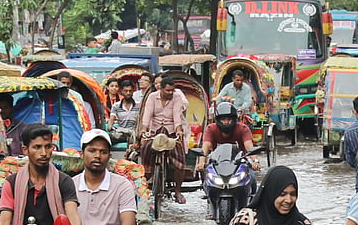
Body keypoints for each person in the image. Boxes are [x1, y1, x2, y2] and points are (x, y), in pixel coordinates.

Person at [0, 123, 88, 225]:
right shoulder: (11, 183)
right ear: (25, 150)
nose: (43, 153)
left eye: (48, 146)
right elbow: (5, 220)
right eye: (37, 147)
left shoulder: (63, 181)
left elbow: (73, 217)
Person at [70, 129, 137, 225]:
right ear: (82, 154)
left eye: (103, 152)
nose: (97, 156)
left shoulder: (122, 185)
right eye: (92, 150)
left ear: (109, 156)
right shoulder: (70, 185)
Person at [139, 75, 189, 204]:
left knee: (179, 155)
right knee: (145, 149)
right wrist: (144, 129)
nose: (170, 93)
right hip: (154, 130)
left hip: (171, 130)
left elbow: (177, 115)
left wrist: (178, 130)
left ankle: (178, 191)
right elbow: (147, 115)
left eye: (172, 90)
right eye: (167, 90)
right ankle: (145, 184)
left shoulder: (177, 97)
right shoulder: (152, 97)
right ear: (160, 89)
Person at [197, 101, 257, 179]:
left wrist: (255, 161)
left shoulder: (243, 129)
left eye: (229, 119)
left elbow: (249, 147)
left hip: (239, 165)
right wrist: (201, 162)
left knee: (251, 179)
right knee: (207, 181)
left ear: (234, 119)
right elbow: (205, 146)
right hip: (217, 165)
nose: (226, 122)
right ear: (218, 120)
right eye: (223, 119)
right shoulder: (211, 129)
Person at [108, 78, 140, 144]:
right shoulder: (116, 106)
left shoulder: (138, 105)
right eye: (126, 91)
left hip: (133, 132)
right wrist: (110, 126)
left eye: (130, 91)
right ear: (121, 91)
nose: (128, 93)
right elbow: (111, 119)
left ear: (133, 91)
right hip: (120, 132)